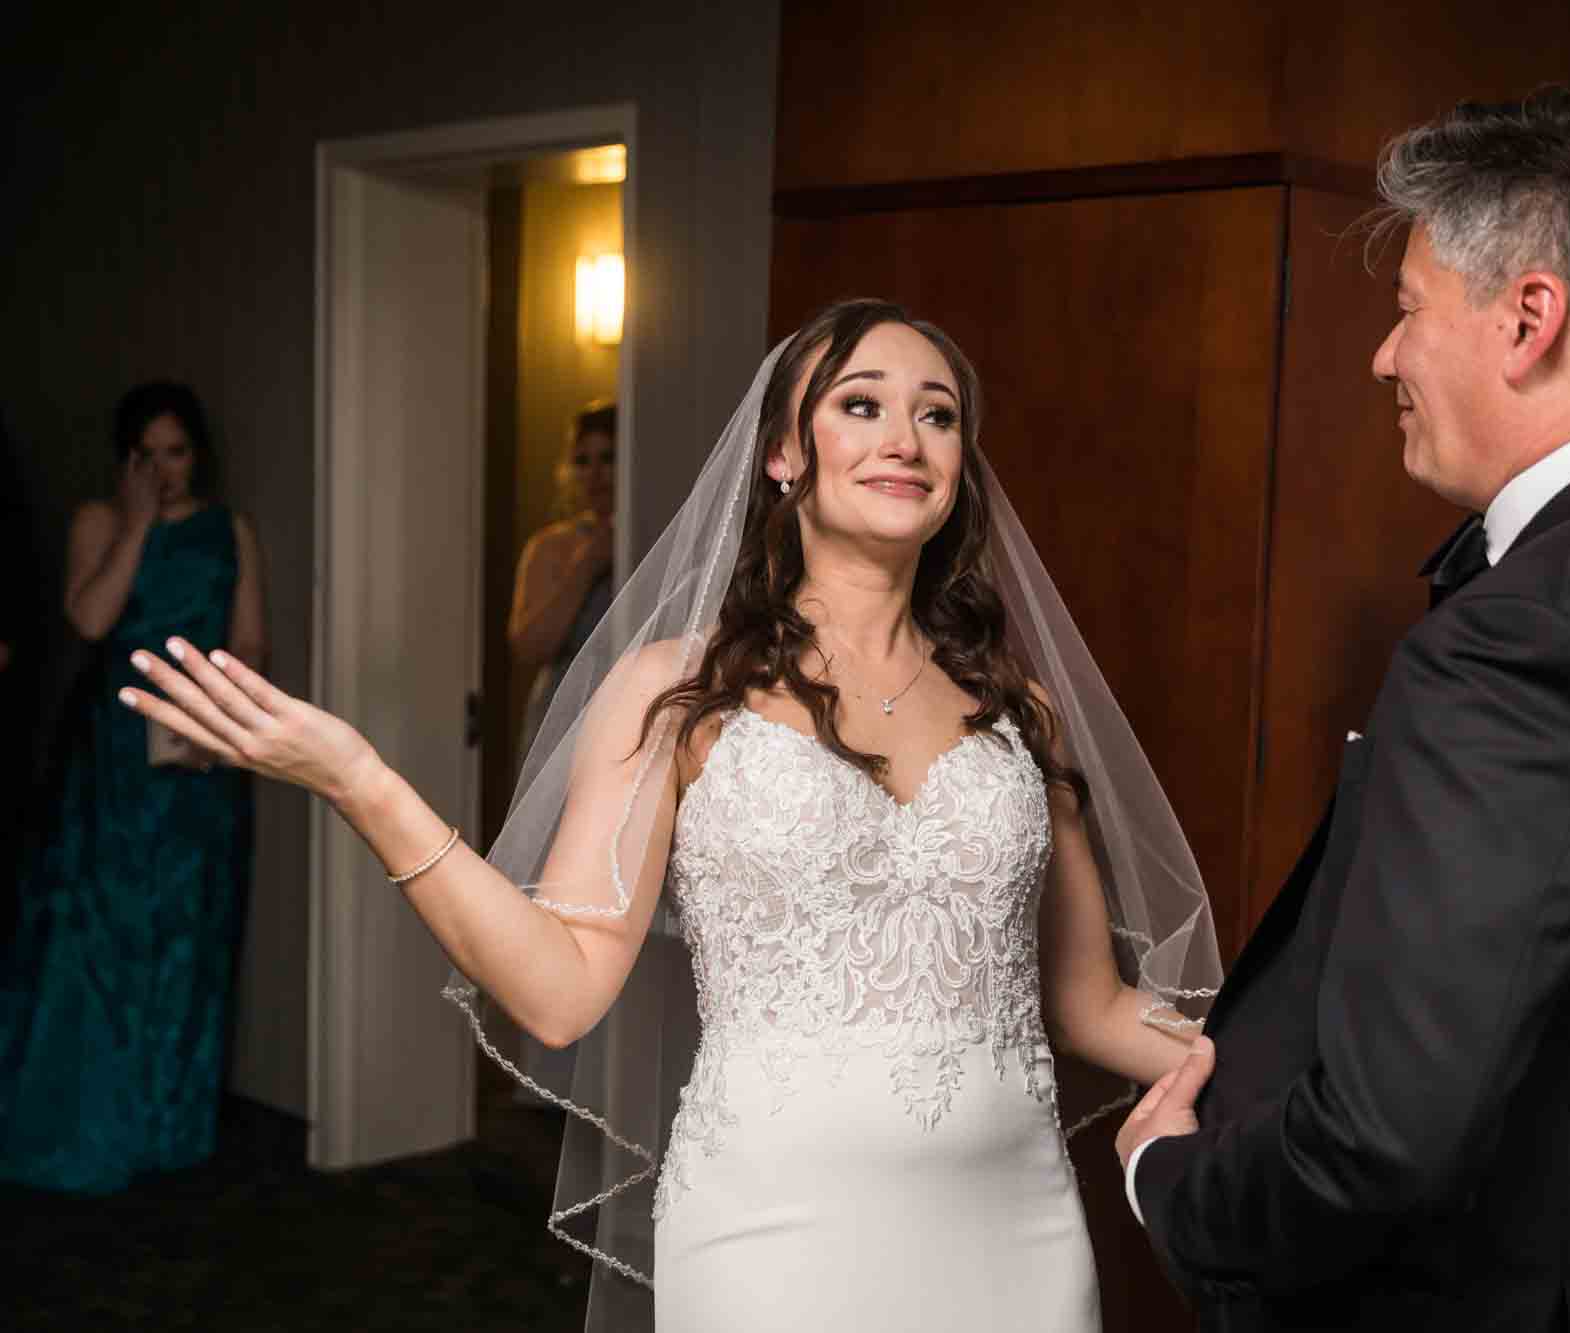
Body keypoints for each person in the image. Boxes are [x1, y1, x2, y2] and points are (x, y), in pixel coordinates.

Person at [125, 299, 1220, 1332]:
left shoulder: (1014, 707)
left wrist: (1304, 1069)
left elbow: (1091, 1006)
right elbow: (558, 991)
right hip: (769, 1230)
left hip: (1013, 1231)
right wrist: (360, 779)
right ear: (782, 455)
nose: (905, 436)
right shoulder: (677, 689)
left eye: (936, 414)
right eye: (860, 402)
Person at [1117, 90, 1570, 1332]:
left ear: (1527, 319)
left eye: (1405, 310)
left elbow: (1382, 1136)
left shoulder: (1529, 634)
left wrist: (1171, 1181)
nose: (1382, 356)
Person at [0, 381, 266, 1194]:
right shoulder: (100, 521)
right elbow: (88, 619)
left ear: (199, 453)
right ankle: (93, 1121)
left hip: (198, 761)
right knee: (106, 933)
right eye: (145, 455)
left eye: (175, 452)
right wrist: (139, 520)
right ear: (126, 460)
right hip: (114, 760)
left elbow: (250, 640)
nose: (163, 469)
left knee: (191, 935)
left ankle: (171, 1127)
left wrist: (218, 713)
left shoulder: (232, 530)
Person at [509, 401, 618, 772]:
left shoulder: (653, 537)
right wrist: (586, 566)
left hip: (627, 705)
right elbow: (528, 645)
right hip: (562, 712)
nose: (596, 473)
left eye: (608, 457)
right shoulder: (551, 546)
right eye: (583, 461)